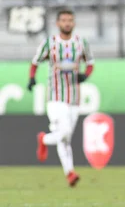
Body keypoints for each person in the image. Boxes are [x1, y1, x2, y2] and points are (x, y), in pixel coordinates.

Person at [29, 10, 94, 187]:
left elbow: (90, 63)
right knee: (64, 132)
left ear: (73, 23)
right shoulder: (50, 43)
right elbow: (35, 61)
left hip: (74, 96)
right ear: (58, 23)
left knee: (66, 138)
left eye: (70, 20)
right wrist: (32, 78)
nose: (67, 23)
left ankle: (69, 172)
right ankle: (43, 140)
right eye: (64, 20)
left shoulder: (81, 43)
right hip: (55, 97)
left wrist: (85, 76)